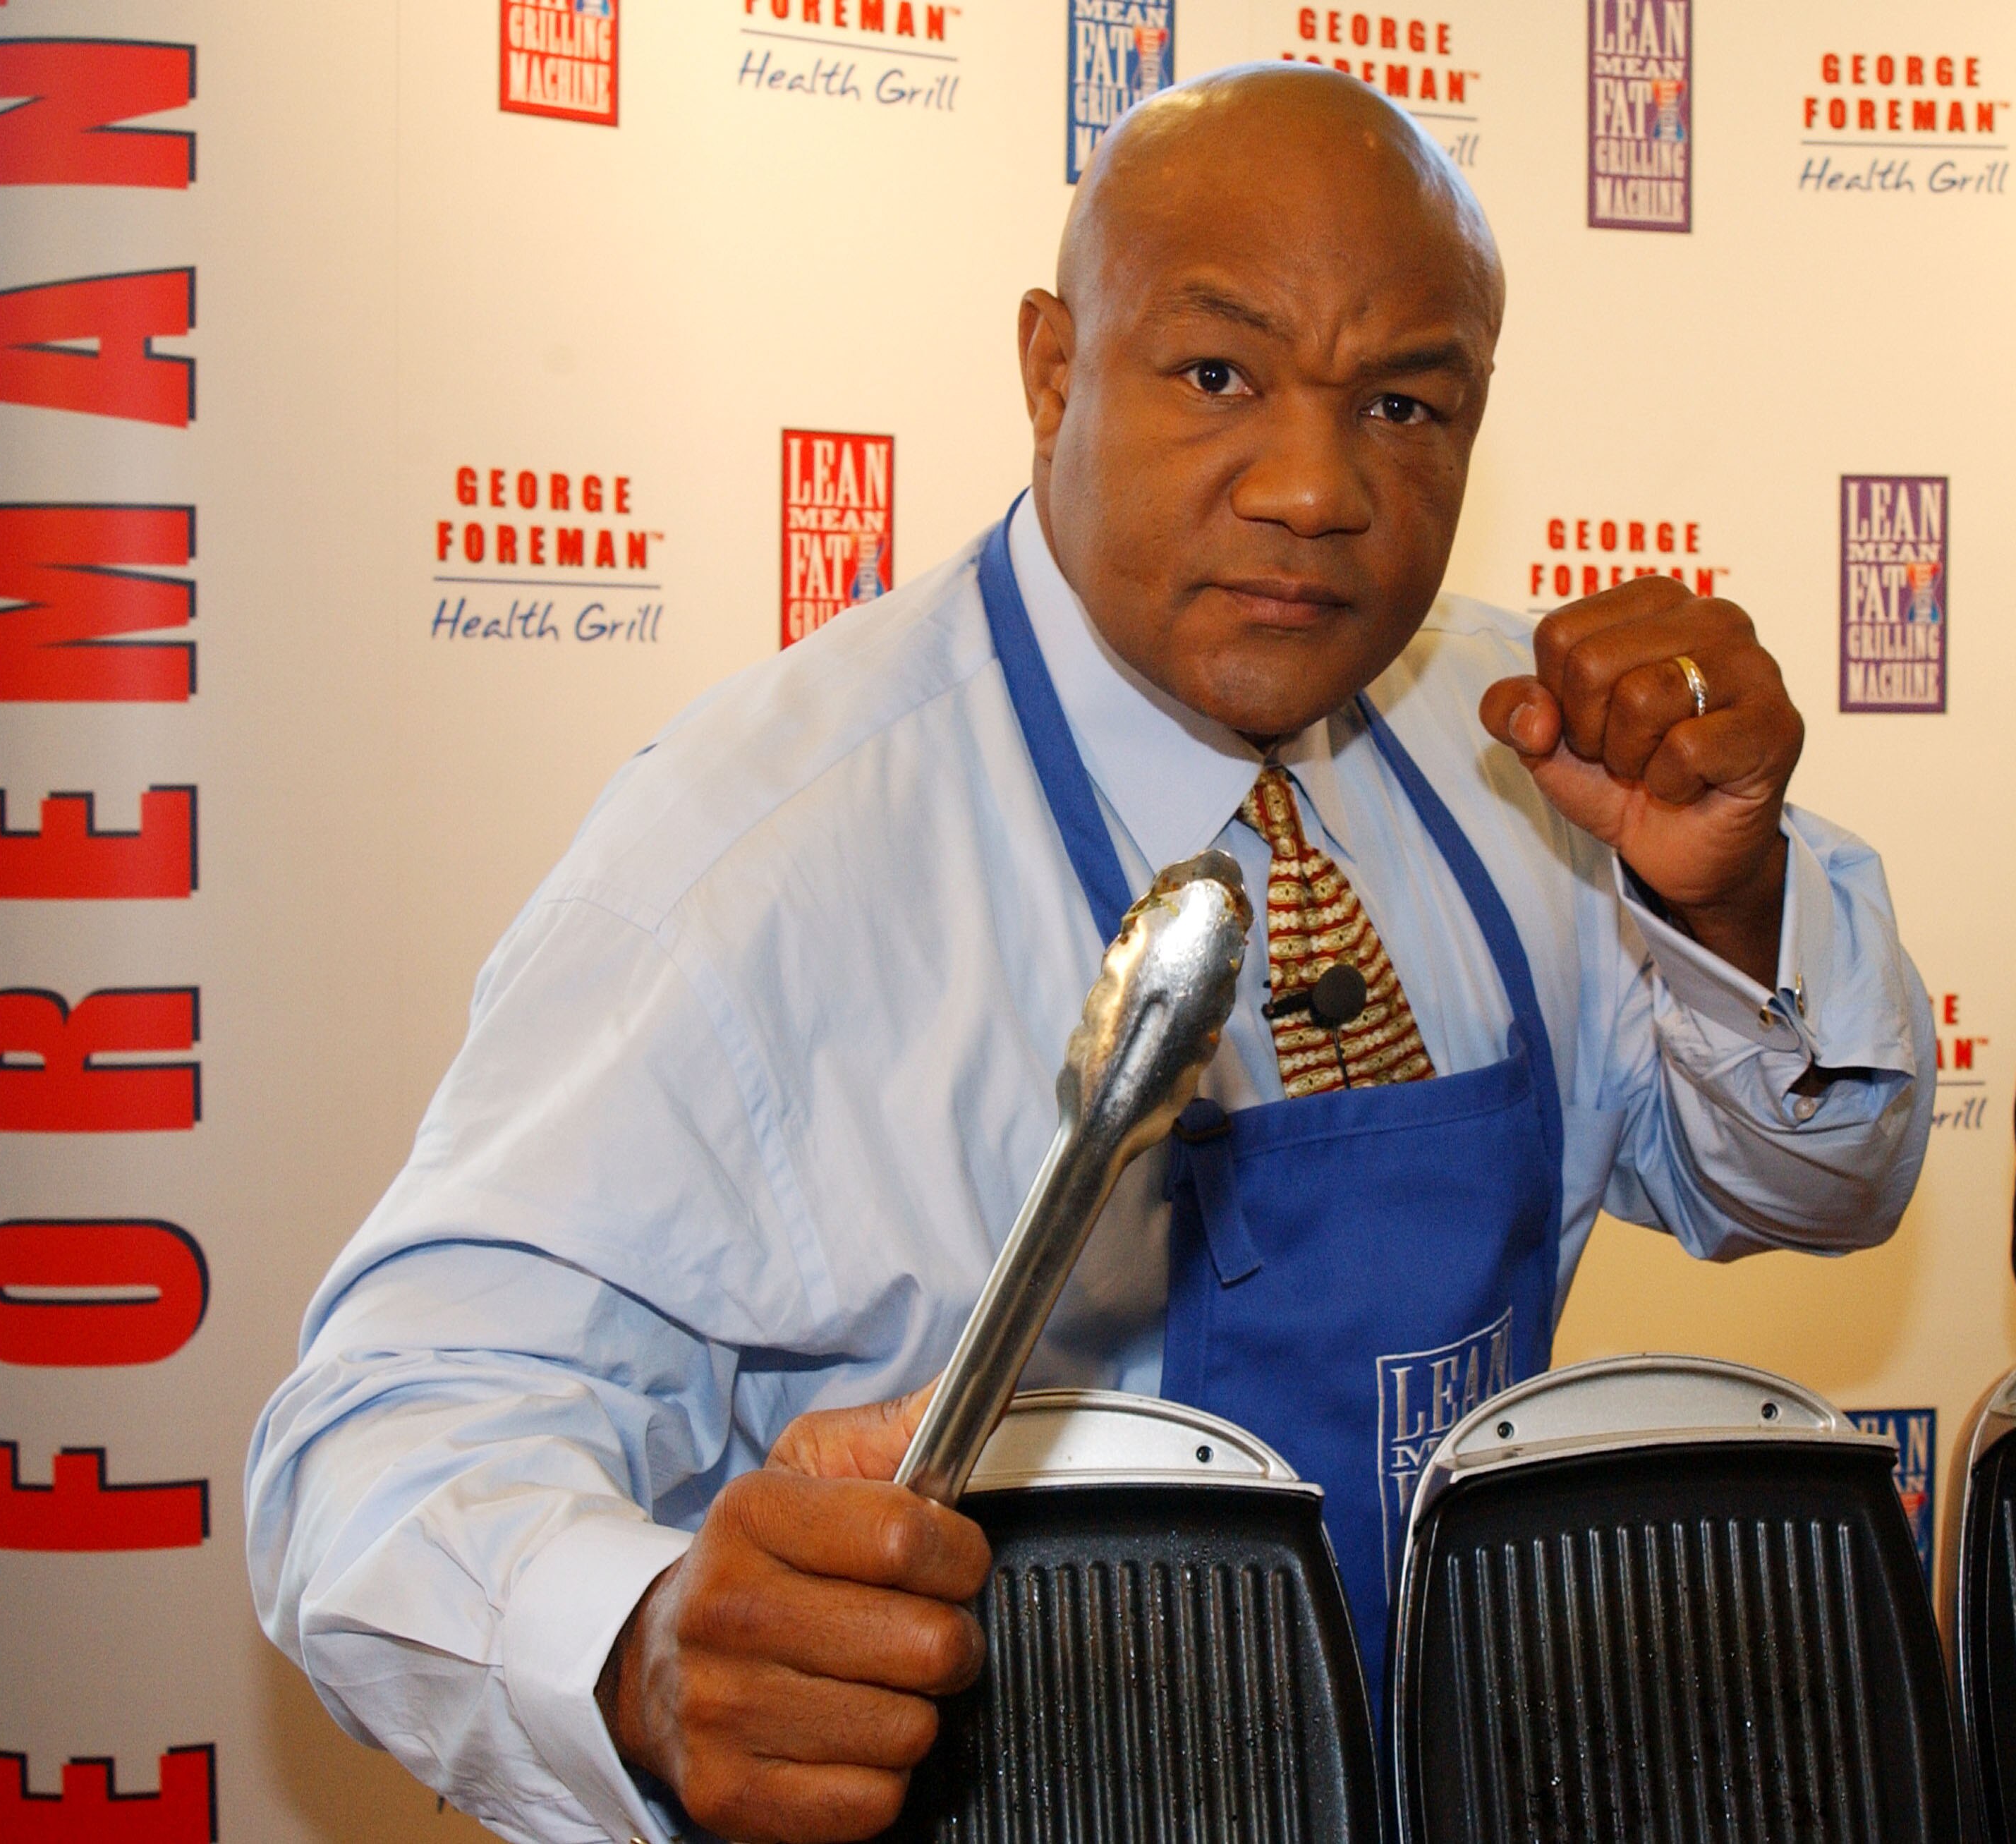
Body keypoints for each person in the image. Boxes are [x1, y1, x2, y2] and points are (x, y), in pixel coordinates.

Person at [247, 65, 1935, 1844]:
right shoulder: (757, 855)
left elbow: (1808, 1185)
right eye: (1217, 374)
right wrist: (641, 1651)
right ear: (1055, 368)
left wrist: (1722, 912)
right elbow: (375, 1449)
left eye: (1404, 405)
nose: (1314, 486)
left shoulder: (1535, 758)